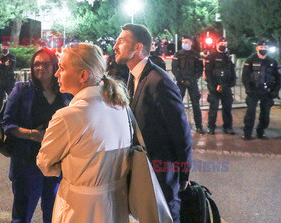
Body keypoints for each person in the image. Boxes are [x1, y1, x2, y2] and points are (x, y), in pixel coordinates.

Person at [37, 43, 132, 223]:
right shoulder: (121, 107)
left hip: (81, 208)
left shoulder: (68, 116)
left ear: (83, 75)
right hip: (117, 204)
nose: (57, 73)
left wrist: (68, 165)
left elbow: (45, 163)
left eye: (62, 68)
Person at [113, 24, 192, 223]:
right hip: (143, 169)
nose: (115, 46)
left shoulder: (159, 82)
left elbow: (181, 133)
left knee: (166, 216)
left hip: (161, 173)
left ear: (138, 47)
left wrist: (183, 175)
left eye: (121, 41)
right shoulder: (134, 76)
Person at [2, 48, 69, 223]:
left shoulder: (66, 93)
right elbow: (7, 124)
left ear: (55, 65)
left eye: (45, 64)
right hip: (27, 163)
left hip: (57, 165)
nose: (40, 68)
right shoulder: (22, 90)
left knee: (54, 215)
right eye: (36, 64)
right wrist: (33, 135)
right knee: (22, 216)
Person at [241, 40, 280, 140]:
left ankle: (260, 131)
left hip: (267, 92)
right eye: (261, 48)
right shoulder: (250, 60)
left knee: (265, 115)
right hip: (253, 91)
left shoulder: (272, 61)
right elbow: (245, 76)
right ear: (257, 48)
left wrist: (275, 91)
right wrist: (248, 89)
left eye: (265, 48)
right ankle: (247, 133)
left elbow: (278, 78)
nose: (263, 50)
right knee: (250, 113)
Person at [172, 36, 205, 133]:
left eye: (186, 41)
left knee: (196, 105)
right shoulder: (178, 54)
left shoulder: (196, 55)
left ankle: (199, 126)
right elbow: (174, 68)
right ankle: (177, 125)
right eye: (183, 41)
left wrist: (192, 80)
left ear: (191, 43)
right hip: (180, 82)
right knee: (178, 104)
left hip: (192, 82)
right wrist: (181, 80)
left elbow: (199, 70)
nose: (184, 43)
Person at [205, 37, 236, 135]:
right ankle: (211, 127)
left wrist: (232, 82)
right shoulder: (212, 56)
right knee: (213, 108)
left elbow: (232, 70)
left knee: (227, 108)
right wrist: (212, 86)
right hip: (215, 86)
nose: (224, 46)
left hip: (226, 86)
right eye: (222, 44)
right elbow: (208, 73)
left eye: (225, 44)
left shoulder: (227, 57)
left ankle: (228, 126)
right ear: (217, 44)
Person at [0, 43, 17, 110]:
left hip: (9, 81)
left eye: (6, 47)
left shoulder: (12, 57)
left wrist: (1, 64)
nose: (4, 48)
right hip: (0, 81)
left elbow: (10, 67)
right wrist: (4, 64)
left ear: (9, 48)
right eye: (3, 47)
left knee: (12, 98)